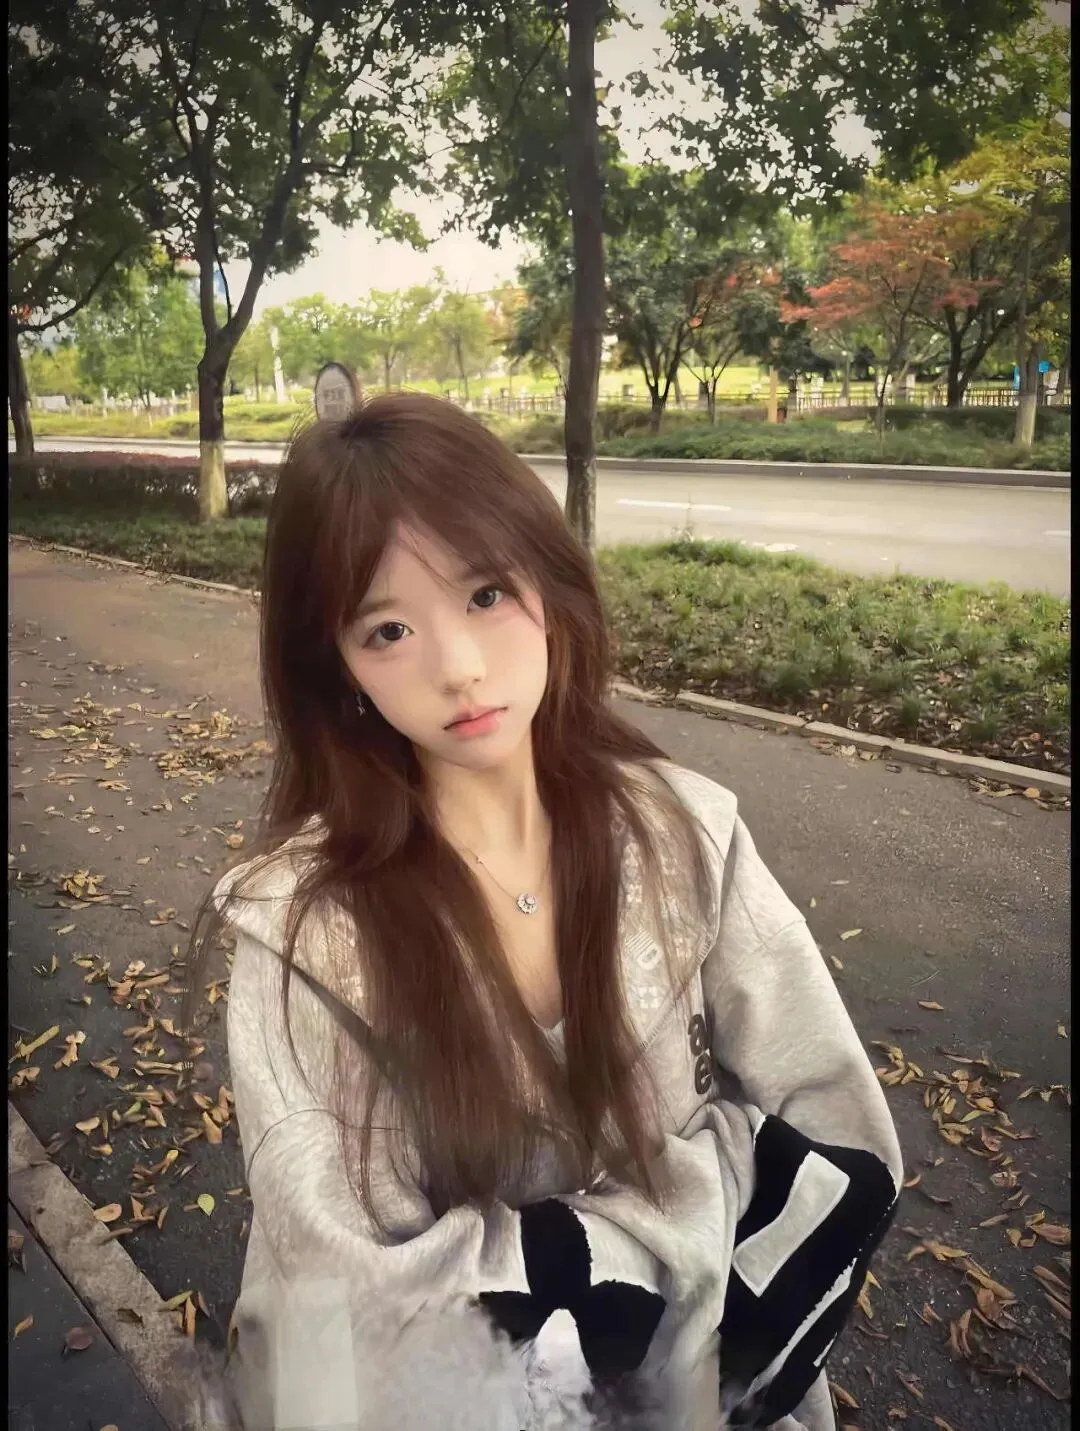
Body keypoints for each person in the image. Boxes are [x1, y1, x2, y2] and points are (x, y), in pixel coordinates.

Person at [187, 393, 902, 1431]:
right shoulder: (307, 936)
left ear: (548, 580)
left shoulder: (686, 834)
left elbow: (844, 1144)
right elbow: (366, 1307)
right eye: (388, 629)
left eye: (485, 593)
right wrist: (707, 1193)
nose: (459, 667)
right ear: (336, 668)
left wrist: (570, 1275)